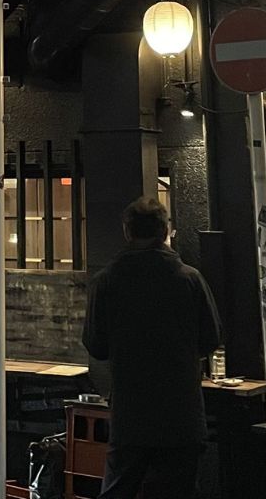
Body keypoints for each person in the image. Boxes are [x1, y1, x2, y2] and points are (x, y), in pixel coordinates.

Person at [80, 197, 221, 499]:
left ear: (127, 231)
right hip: (181, 412)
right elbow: (211, 338)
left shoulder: (106, 282)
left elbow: (96, 345)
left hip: (131, 413)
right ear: (165, 231)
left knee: (118, 492)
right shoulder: (189, 279)